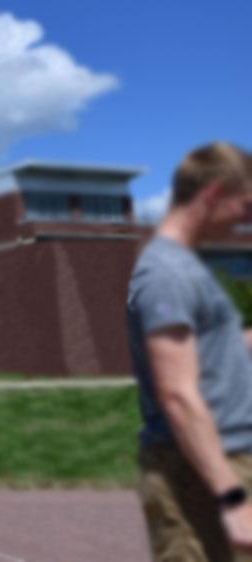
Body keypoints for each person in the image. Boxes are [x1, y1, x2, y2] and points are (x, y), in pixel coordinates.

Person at [127, 142, 252, 561]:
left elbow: (210, 354)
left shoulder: (184, 269)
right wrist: (232, 497)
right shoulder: (166, 273)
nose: (245, 218)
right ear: (214, 194)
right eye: (245, 204)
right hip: (197, 470)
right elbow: (177, 394)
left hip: (215, 460)